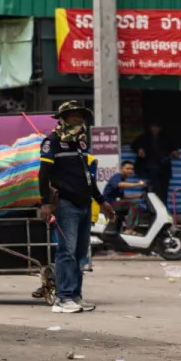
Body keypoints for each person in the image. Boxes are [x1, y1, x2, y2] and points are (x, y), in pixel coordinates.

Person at [38, 101, 114, 313]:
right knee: (67, 252)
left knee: (80, 253)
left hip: (84, 205)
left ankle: (75, 296)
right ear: (62, 118)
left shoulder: (80, 144)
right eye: (73, 116)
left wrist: (102, 202)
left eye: (80, 116)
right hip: (66, 205)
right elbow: (43, 175)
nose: (78, 120)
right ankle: (62, 299)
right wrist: (45, 202)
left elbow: (87, 177)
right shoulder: (51, 142)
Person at [102, 159, 150, 234]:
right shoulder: (117, 176)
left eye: (131, 169)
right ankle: (129, 230)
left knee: (135, 205)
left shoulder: (122, 179)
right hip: (108, 204)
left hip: (113, 204)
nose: (130, 171)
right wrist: (138, 184)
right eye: (127, 169)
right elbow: (119, 184)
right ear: (121, 169)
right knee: (135, 204)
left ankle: (124, 230)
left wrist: (140, 195)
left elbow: (123, 196)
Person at [130, 122, 172, 202]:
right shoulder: (143, 137)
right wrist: (139, 150)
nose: (155, 129)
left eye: (157, 127)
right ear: (150, 128)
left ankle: (164, 207)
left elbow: (173, 148)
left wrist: (174, 151)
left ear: (160, 128)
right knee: (157, 188)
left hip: (165, 167)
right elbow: (133, 145)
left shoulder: (165, 138)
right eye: (153, 126)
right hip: (151, 166)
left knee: (164, 189)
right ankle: (159, 207)